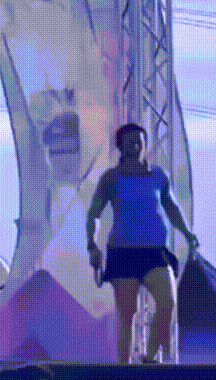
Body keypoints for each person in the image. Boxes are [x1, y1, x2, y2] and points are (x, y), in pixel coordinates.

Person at [86, 123, 199, 363]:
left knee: (168, 303)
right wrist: (92, 245)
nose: (135, 146)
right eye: (130, 142)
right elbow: (94, 213)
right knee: (127, 314)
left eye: (139, 141)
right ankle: (124, 367)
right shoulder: (111, 178)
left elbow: (172, 208)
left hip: (155, 251)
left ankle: (148, 355)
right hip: (123, 253)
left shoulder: (158, 176)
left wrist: (187, 233)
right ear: (120, 147)